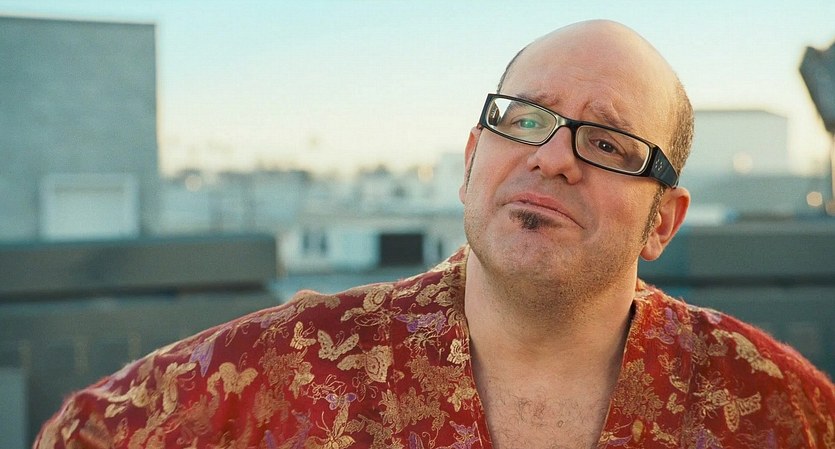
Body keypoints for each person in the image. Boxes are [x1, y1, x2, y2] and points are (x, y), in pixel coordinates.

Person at [35, 20, 834, 449]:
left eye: (607, 142)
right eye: (524, 119)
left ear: (662, 220)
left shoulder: (777, 406)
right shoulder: (287, 367)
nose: (551, 156)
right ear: (470, 161)